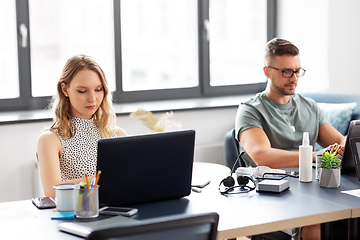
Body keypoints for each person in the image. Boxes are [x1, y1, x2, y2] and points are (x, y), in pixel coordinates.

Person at [235, 38, 346, 240]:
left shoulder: (310, 106)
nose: (294, 78)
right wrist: (313, 156)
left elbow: (339, 142)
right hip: (273, 194)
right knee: (314, 220)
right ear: (267, 72)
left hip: (312, 189)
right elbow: (262, 156)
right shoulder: (250, 110)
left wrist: (350, 145)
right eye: (286, 71)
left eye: (298, 71)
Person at [37, 54, 127, 197]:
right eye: (82, 91)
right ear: (65, 90)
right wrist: (104, 180)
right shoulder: (51, 139)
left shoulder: (117, 135)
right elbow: (51, 191)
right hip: (76, 215)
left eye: (98, 89)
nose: (92, 98)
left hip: (116, 213)